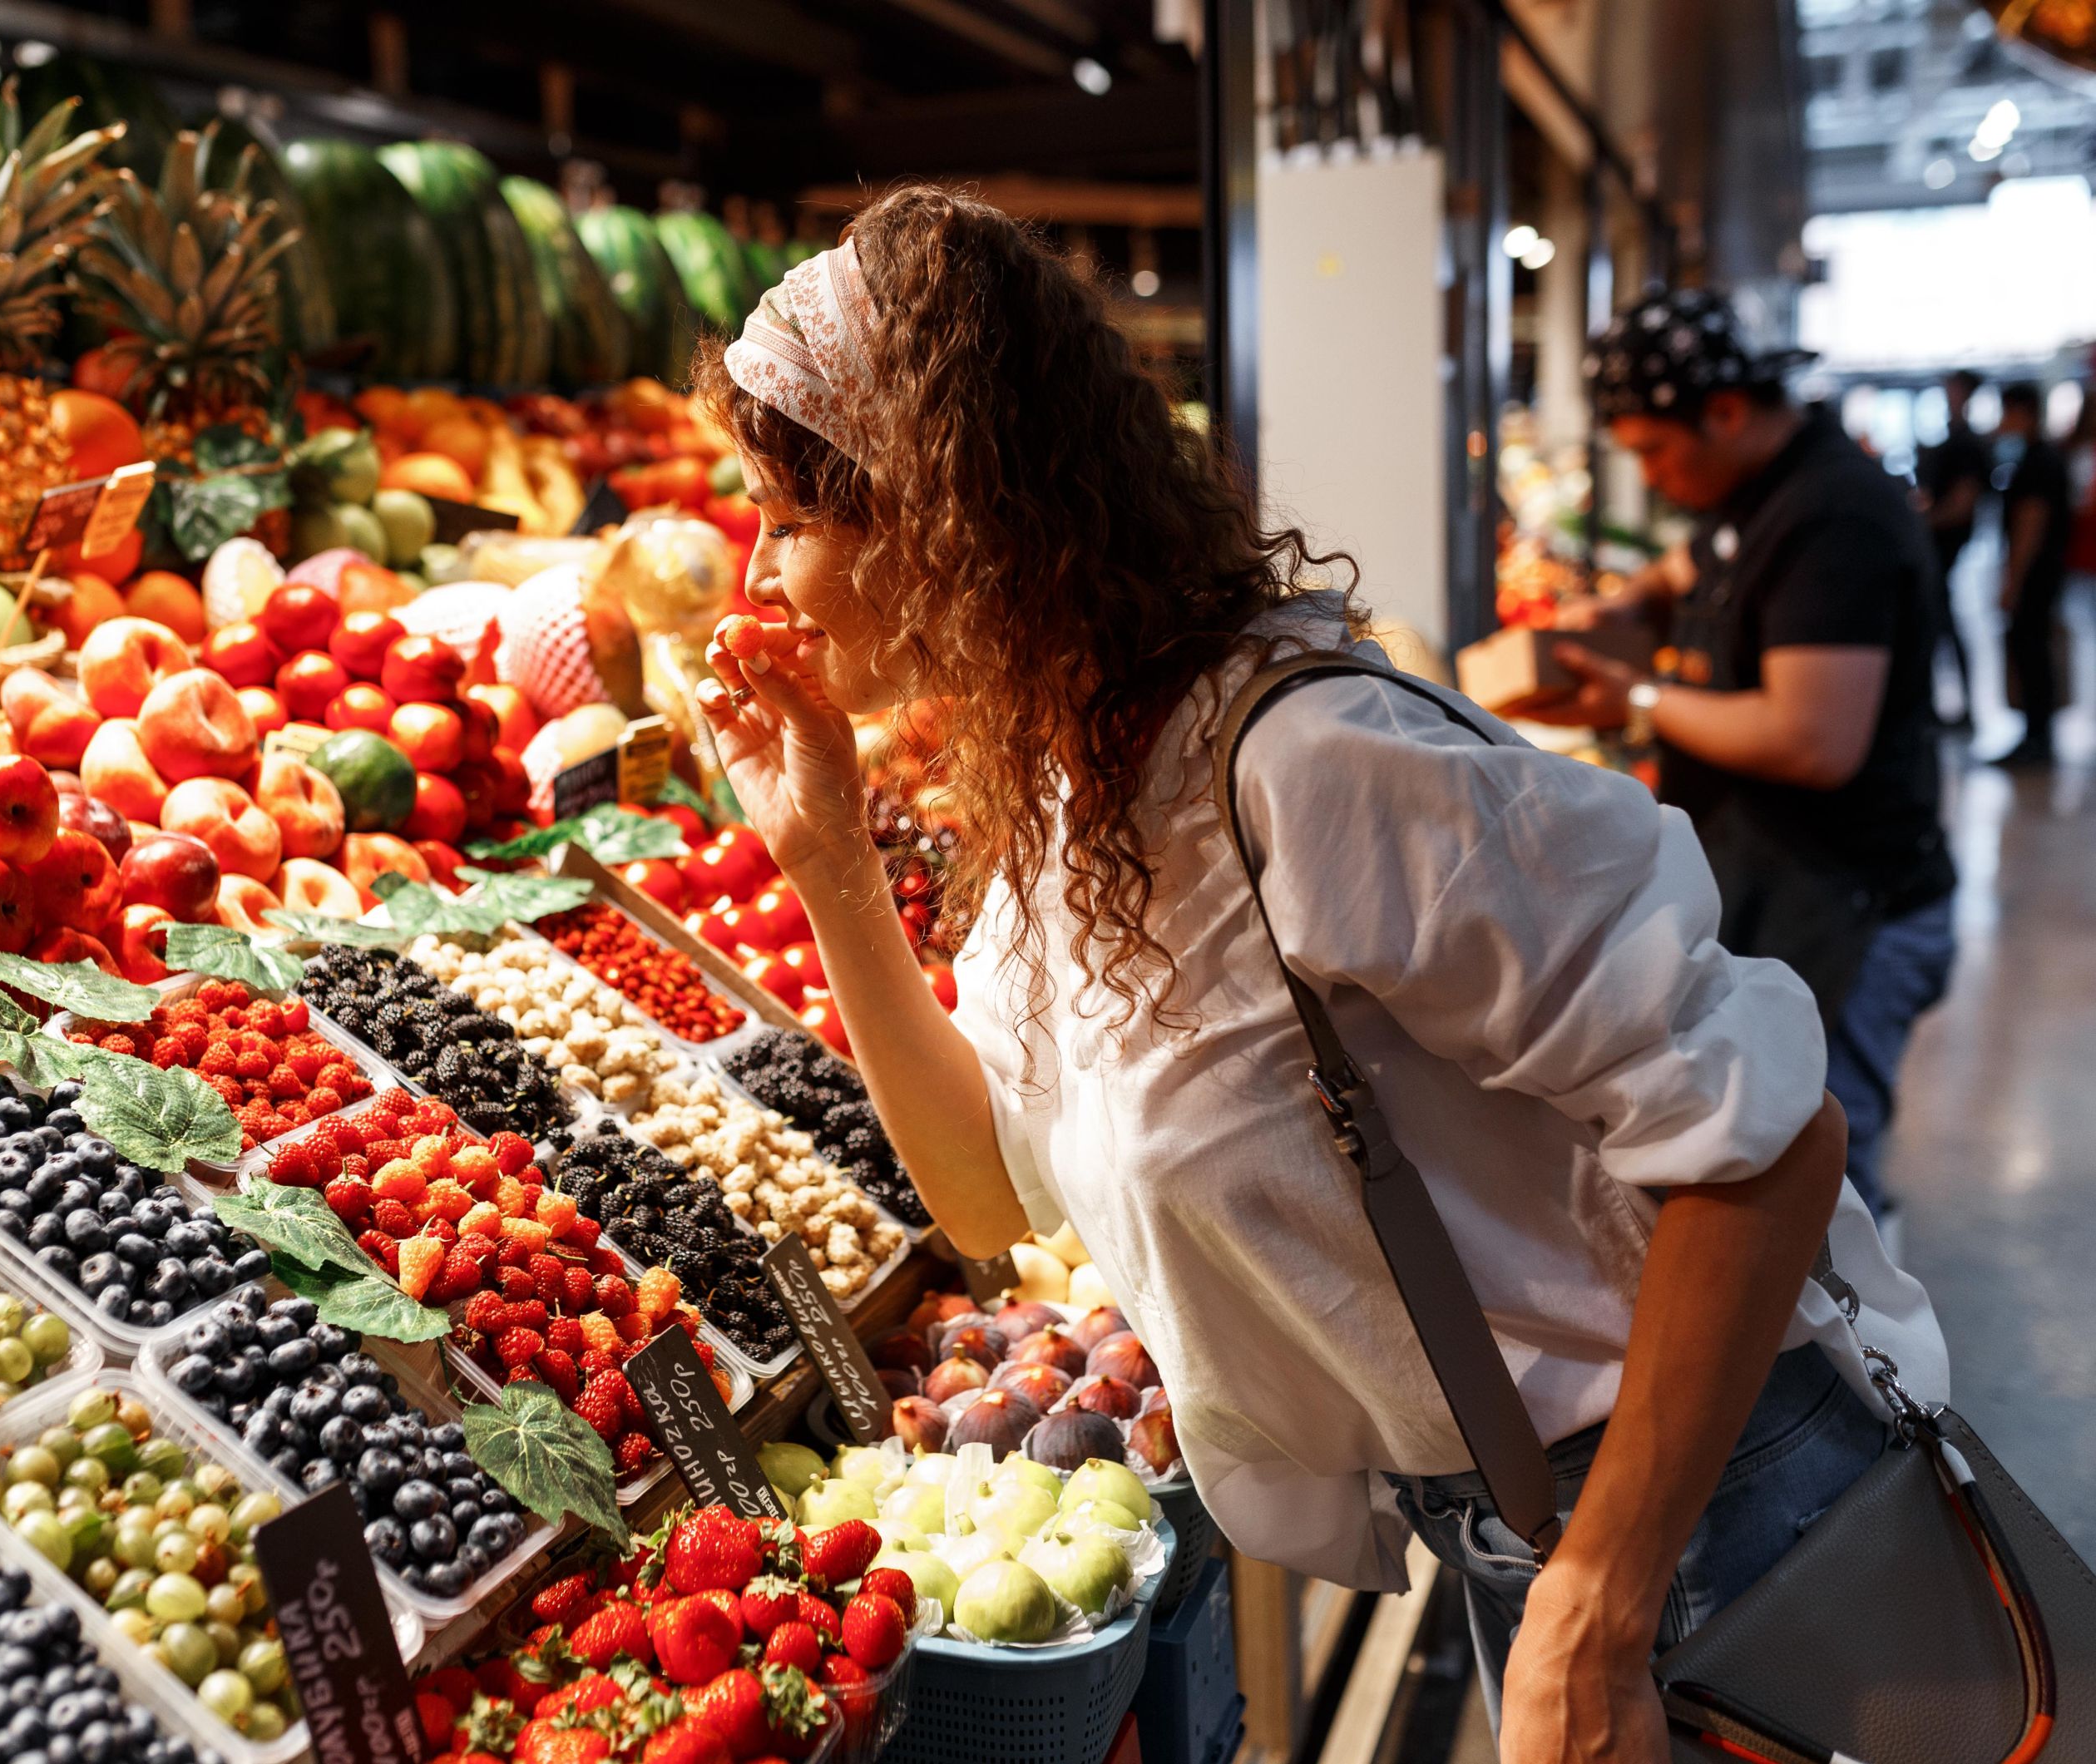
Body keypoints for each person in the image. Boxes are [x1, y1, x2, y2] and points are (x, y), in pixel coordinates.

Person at [689, 190, 1942, 1760]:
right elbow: (986, 1199)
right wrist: (827, 871)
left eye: (787, 518)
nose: (758, 571)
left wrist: (1600, 1596)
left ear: (937, 514)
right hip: (1534, 1527)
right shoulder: (1083, 797)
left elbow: (1766, 1144)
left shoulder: (1309, 767)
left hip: (1721, 1502)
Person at [1535, 289, 1954, 1228]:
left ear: (1723, 412)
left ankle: (1863, 1369)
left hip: (1849, 904)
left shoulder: (1831, 518)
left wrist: (1634, 699)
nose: (1648, 473)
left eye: (1651, 449)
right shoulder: (1756, 493)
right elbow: (1693, 566)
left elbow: (1811, 741)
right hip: (1789, 889)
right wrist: (1626, 603)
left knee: (1824, 1191)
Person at [1989, 378, 2074, 768]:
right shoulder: (2041, 457)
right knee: (2032, 651)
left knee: (2032, 652)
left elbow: (2030, 526)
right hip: (2045, 573)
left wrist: (2012, 580)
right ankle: (2035, 734)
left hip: (2037, 576)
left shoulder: (2039, 461)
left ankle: (2037, 738)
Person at [1913, 368, 1986, 725]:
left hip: (1942, 546)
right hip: (1936, 544)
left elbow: (1962, 504)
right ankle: (1937, 705)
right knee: (1936, 625)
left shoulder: (1966, 443)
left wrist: (1920, 522)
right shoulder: (1953, 439)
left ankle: (1955, 707)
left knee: (1938, 625)